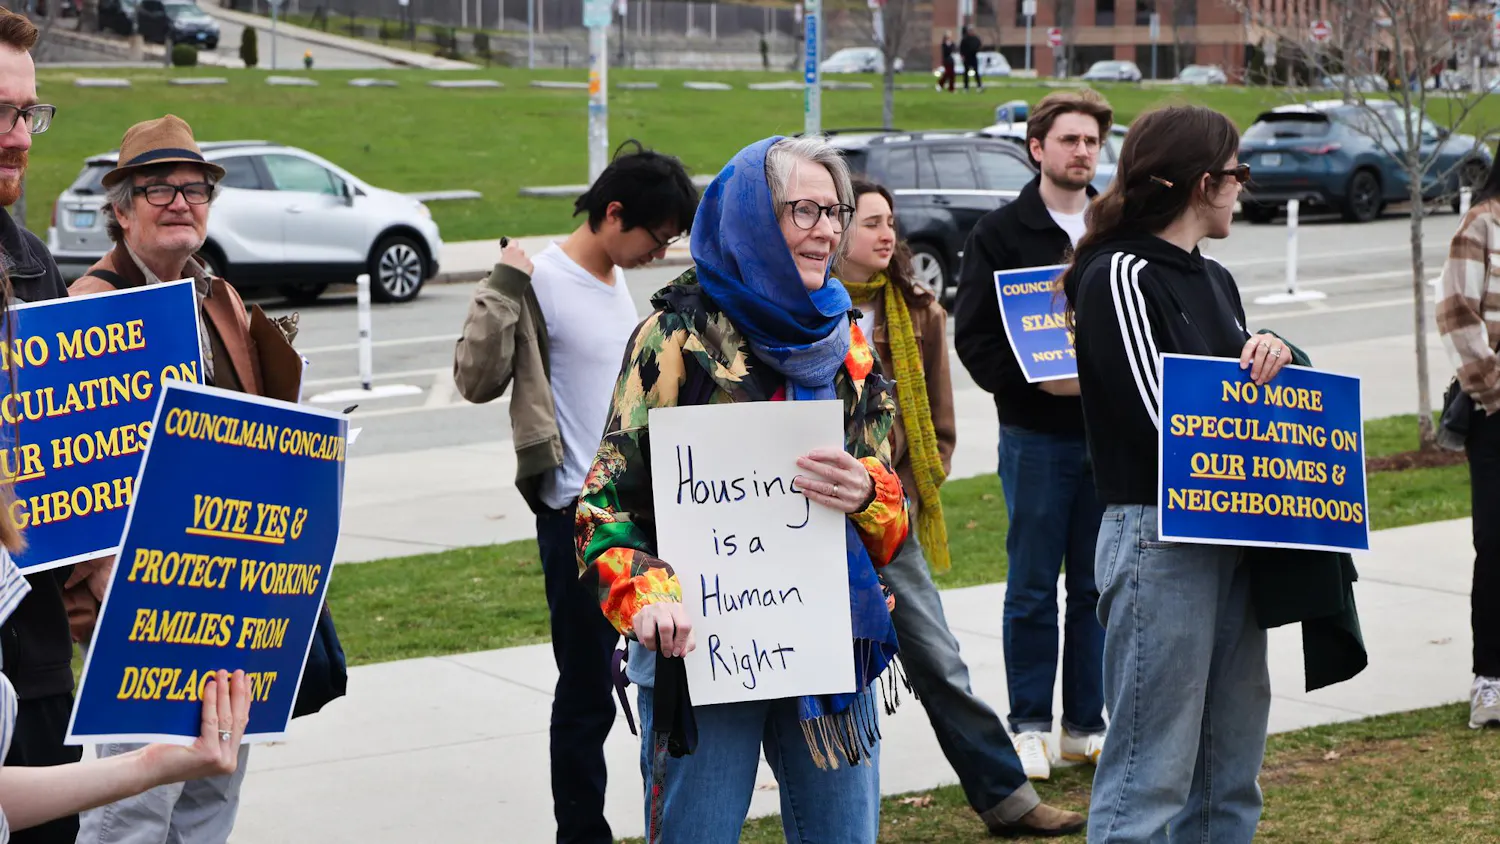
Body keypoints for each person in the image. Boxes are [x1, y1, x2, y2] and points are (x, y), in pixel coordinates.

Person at [575, 135, 909, 842]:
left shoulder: (845, 339)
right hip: (701, 651)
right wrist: (647, 598)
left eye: (836, 210)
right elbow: (605, 505)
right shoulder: (675, 336)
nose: (827, 230)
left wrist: (868, 495)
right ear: (755, 219)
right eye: (804, 211)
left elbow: (887, 514)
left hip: (829, 644)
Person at [65, 113, 304, 844]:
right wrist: (106, 575)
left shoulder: (220, 300)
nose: (179, 202)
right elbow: (65, 468)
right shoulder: (86, 308)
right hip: (138, 597)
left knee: (214, 785)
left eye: (194, 188)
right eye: (158, 188)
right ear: (122, 208)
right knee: (133, 804)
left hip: (231, 587)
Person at [453, 141, 699, 844]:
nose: (659, 253)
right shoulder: (541, 280)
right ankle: (581, 834)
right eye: (655, 238)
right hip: (576, 521)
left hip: (641, 514)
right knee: (588, 694)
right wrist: (502, 283)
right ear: (613, 213)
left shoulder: (616, 281)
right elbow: (474, 379)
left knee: (664, 680)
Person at [1060, 105, 1288, 841]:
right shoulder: (1119, 274)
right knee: (1147, 777)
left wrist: (1276, 353)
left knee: (1230, 774)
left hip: (1233, 529)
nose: (1242, 190)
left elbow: (1245, 400)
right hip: (1160, 535)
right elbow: (1164, 423)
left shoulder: (1216, 281)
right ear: (1201, 183)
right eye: (1237, 174)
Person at [836, 178, 1086, 837]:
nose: (888, 235)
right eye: (871, 223)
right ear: (835, 231)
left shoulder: (919, 310)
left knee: (938, 660)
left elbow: (938, 427)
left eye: (892, 222)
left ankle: (1007, 798)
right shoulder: (800, 310)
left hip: (887, 520)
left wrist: (915, 488)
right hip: (807, 521)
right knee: (828, 676)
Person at [953, 88, 1113, 781]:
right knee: (1030, 587)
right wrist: (1032, 384)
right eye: (1069, 140)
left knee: (1097, 586)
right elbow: (974, 339)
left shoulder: (1117, 225)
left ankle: (1084, 725)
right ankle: (1028, 726)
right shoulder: (1001, 233)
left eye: (1091, 141)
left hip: (1110, 438)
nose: (1082, 152)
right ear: (1037, 148)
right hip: (1036, 436)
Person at [0, 12, 95, 844]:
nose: (19, 135)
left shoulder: (33, 266)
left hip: (31, 666)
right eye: (0, 111)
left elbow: (66, 458)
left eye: (27, 112)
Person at [1437, 156, 1500, 729]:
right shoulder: (1482, 224)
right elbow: (1459, 313)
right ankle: (1490, 680)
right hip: (1495, 412)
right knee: (1497, 544)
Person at [959, 26, 983, 92]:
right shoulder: (965, 39)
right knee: (966, 73)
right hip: (967, 57)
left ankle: (979, 86)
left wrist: (976, 50)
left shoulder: (976, 39)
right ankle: (966, 87)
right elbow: (961, 48)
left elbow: (979, 46)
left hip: (973, 57)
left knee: (976, 72)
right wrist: (962, 55)